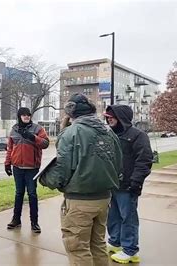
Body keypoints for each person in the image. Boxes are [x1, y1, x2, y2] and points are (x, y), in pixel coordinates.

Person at [39, 93, 122, 266]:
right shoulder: (108, 132)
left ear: (70, 113)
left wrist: (45, 178)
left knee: (78, 248)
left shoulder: (72, 133)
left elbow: (61, 171)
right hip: (104, 199)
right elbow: (119, 165)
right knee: (97, 244)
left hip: (80, 201)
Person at [104, 105, 153, 264]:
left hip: (128, 185)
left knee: (128, 218)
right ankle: (115, 242)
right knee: (113, 216)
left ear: (121, 117)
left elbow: (144, 161)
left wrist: (136, 182)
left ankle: (130, 250)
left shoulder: (138, 136)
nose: (109, 118)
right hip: (113, 184)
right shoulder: (111, 134)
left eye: (112, 116)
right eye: (107, 116)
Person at [4, 107, 49, 233]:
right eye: (23, 115)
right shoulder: (14, 129)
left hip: (32, 168)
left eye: (28, 115)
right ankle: (16, 219)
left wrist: (33, 137)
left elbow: (45, 143)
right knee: (19, 194)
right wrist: (7, 163)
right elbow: (10, 148)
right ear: (19, 116)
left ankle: (34, 222)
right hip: (17, 167)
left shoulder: (37, 129)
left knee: (32, 194)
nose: (26, 117)